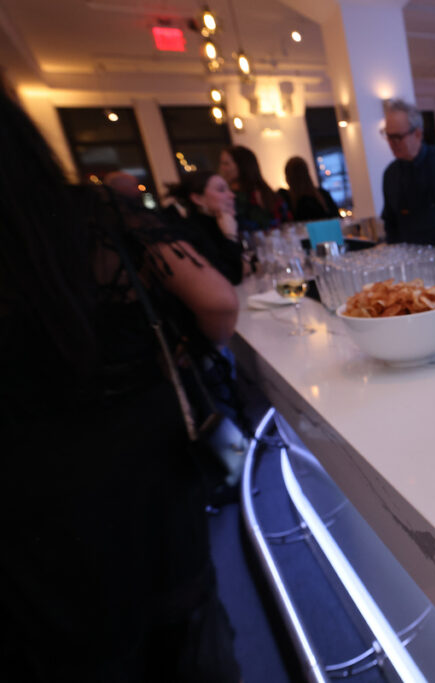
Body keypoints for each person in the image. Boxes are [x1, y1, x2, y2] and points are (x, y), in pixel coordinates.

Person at [0, 85, 241, 681]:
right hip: (144, 462)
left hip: (30, 504)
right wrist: (183, 355)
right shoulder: (94, 214)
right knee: (184, 633)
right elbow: (216, 301)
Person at [380, 98, 435, 247]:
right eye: (388, 136)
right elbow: (390, 223)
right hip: (411, 258)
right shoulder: (390, 174)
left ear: (418, 134)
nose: (392, 143)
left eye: (398, 137)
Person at [166, 170, 244, 284]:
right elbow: (231, 277)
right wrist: (230, 237)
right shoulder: (192, 231)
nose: (232, 195)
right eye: (221, 190)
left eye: (229, 189)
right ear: (197, 199)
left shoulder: (222, 222)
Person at [219, 145, 290, 232]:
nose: (222, 168)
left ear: (241, 165)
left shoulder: (234, 197)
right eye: (222, 163)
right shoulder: (268, 193)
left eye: (226, 164)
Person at [279, 156, 339, 221]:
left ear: (287, 177)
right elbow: (336, 219)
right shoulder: (323, 195)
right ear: (307, 174)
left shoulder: (285, 200)